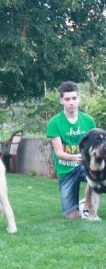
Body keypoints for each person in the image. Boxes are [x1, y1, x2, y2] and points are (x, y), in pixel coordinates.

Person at [47, 81, 94, 219]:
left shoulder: (89, 121)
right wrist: (78, 157)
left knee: (98, 174)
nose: (71, 102)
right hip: (66, 172)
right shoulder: (54, 123)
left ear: (79, 98)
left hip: (85, 167)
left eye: (74, 98)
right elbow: (59, 153)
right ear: (62, 101)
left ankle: (88, 204)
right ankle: (80, 204)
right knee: (72, 216)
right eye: (67, 99)